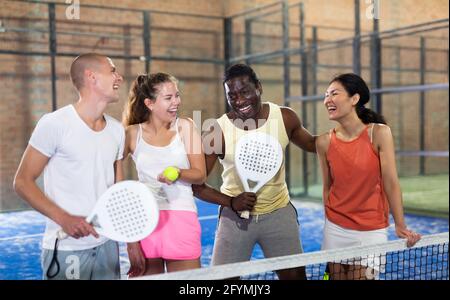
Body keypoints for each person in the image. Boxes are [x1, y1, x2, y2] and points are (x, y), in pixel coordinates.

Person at [192, 63, 316, 280]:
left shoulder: (285, 118)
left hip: (279, 212)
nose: (239, 101)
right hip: (234, 217)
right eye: (232, 96)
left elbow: (314, 144)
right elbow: (197, 186)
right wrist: (231, 202)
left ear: (258, 87)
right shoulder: (216, 130)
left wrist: (350, 128)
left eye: (245, 92)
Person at [13, 53, 125, 280]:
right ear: (91, 77)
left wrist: (130, 241)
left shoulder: (116, 130)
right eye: (112, 70)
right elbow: (22, 182)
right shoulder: (54, 124)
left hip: (108, 246)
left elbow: (117, 189)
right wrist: (64, 219)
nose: (119, 77)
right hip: (67, 249)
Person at [316, 73, 421, 280]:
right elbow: (328, 186)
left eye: (334, 93)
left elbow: (391, 182)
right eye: (326, 95)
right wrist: (330, 218)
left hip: (372, 231)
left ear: (354, 99)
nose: (327, 100)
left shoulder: (379, 133)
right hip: (335, 228)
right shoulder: (323, 142)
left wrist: (400, 225)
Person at [122, 73, 206, 277]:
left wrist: (178, 173)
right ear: (149, 103)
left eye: (177, 96)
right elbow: (115, 180)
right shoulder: (131, 134)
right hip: (145, 222)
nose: (176, 102)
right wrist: (131, 240)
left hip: (182, 220)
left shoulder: (186, 127)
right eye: (168, 98)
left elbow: (200, 174)